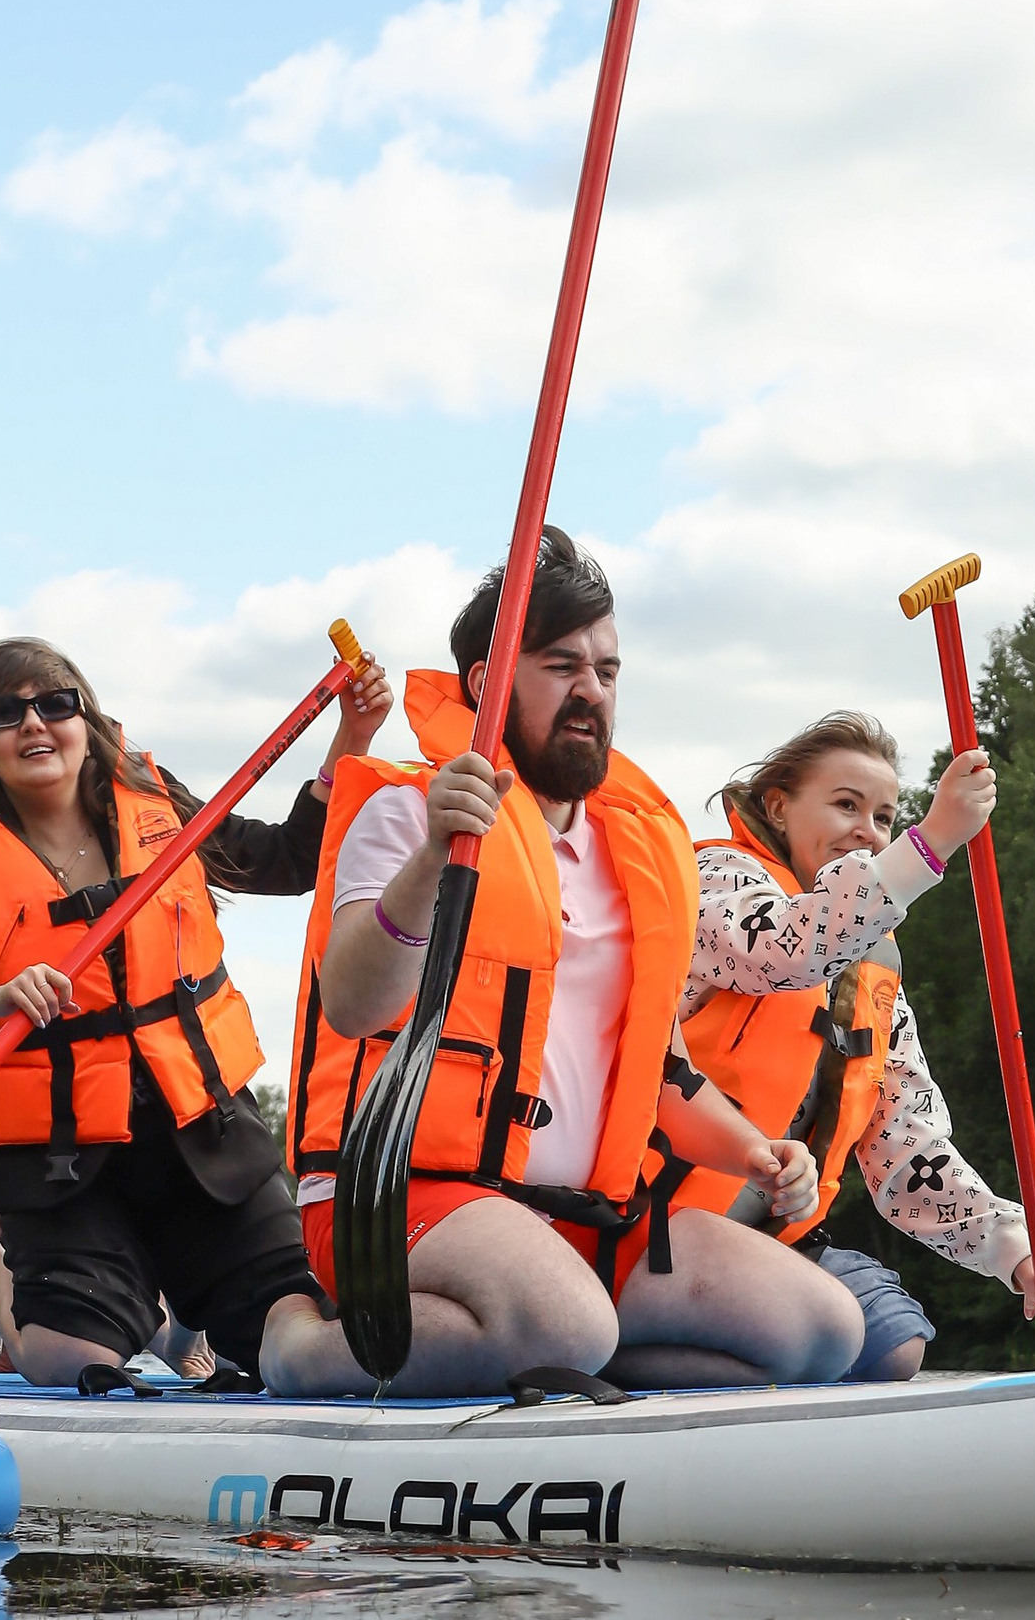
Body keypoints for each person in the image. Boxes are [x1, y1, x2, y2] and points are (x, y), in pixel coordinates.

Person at [263, 530, 864, 1398]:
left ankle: (553, 1364)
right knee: (568, 1325)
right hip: (398, 1198)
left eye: (608, 670)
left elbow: (664, 1074)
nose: (591, 691)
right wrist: (435, 856)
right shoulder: (407, 814)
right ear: (489, 681)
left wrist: (755, 1150)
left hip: (580, 1225)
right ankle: (299, 1346)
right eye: (561, 666)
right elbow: (352, 1004)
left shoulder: (641, 855)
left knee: (822, 1330)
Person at [0, 631, 393, 1387]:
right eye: (4, 713)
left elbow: (285, 859)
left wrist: (351, 738)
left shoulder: (152, 800)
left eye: (55, 704)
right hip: (66, 1172)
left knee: (293, 1336)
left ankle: (194, 1301)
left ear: (86, 724)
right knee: (74, 1365)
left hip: (204, 1144)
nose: (33, 723)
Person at [673, 712, 1035, 1379]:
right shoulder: (716, 883)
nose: (867, 829)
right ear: (778, 806)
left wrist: (1014, 1248)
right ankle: (631, 1358)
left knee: (894, 1342)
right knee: (815, 1336)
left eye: (886, 816)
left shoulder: (873, 972)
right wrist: (935, 840)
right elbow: (791, 947)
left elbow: (907, 1148)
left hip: (767, 1240)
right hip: (654, 1224)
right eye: (845, 804)